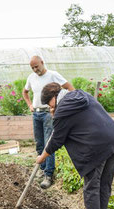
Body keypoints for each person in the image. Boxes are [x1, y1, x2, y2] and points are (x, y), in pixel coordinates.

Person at [36, 82, 114, 209]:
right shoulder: (81, 94)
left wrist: (41, 157)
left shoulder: (62, 110)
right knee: (104, 184)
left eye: (48, 104)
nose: (49, 108)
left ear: (53, 98)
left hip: (96, 147)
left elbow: (56, 140)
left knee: (91, 186)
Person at [23, 56, 74, 189]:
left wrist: (65, 106)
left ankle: (48, 175)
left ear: (42, 63)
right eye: (32, 68)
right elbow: (25, 92)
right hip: (36, 113)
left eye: (37, 67)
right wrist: (29, 104)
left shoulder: (53, 75)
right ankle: (43, 169)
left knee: (49, 143)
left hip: (48, 113)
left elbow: (69, 87)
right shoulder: (31, 78)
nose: (35, 70)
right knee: (39, 142)